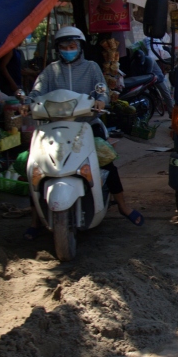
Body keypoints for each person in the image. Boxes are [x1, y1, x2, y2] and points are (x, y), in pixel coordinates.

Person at [24, 26, 143, 238]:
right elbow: (36, 91)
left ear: (79, 47)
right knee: (35, 168)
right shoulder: (51, 71)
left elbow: (102, 89)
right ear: (58, 49)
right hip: (54, 130)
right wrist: (28, 102)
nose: (68, 50)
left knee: (107, 163)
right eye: (64, 47)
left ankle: (123, 206)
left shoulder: (91, 68)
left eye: (72, 46)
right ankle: (35, 220)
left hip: (86, 125)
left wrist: (101, 100)